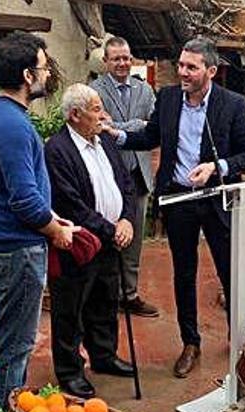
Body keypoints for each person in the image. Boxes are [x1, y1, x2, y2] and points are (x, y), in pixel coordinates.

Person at [106, 37, 245, 378]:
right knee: (184, 273)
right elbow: (151, 137)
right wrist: (114, 134)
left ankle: (241, 342)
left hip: (217, 199)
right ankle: (190, 343)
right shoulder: (169, 98)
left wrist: (216, 168)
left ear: (211, 71)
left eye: (191, 67)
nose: (183, 72)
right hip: (178, 200)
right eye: (180, 65)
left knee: (228, 270)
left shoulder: (232, 104)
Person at [0, 32, 79, 407]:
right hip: (17, 248)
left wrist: (55, 219)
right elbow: (23, 199)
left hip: (8, 242)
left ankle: (1, 407)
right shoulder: (14, 125)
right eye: (43, 68)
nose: (48, 75)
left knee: (11, 334)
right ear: (26, 75)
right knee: (16, 340)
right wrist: (55, 231)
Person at [44, 84, 137, 398]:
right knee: (71, 306)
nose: (103, 115)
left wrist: (126, 219)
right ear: (75, 115)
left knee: (105, 300)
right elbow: (70, 204)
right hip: (80, 243)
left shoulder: (105, 142)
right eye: (96, 109)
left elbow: (125, 183)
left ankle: (104, 356)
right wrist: (110, 229)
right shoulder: (57, 150)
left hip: (111, 240)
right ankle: (70, 370)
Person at [90, 36, 159, 318]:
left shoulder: (145, 91)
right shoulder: (94, 90)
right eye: (116, 58)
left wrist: (116, 126)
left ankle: (129, 295)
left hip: (138, 176)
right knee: (107, 235)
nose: (123, 63)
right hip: (107, 174)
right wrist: (135, 126)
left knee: (134, 239)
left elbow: (153, 127)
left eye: (127, 57)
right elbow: (97, 125)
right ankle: (105, 296)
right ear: (105, 62)